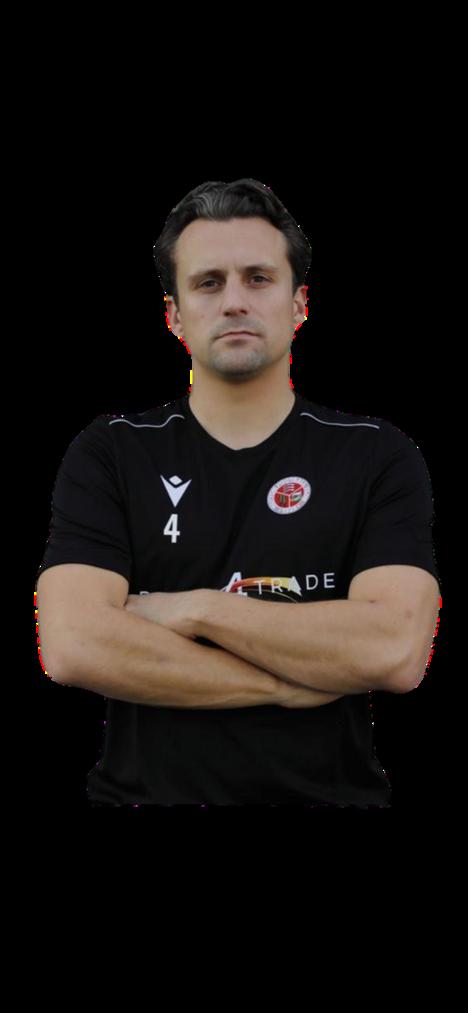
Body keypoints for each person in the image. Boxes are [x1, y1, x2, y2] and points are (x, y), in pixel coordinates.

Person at [35, 178, 440, 807]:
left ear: (299, 304)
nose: (233, 302)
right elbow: (74, 644)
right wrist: (283, 684)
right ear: (174, 315)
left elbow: (392, 650)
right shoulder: (111, 451)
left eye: (258, 278)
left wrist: (197, 610)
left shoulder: (376, 454)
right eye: (208, 282)